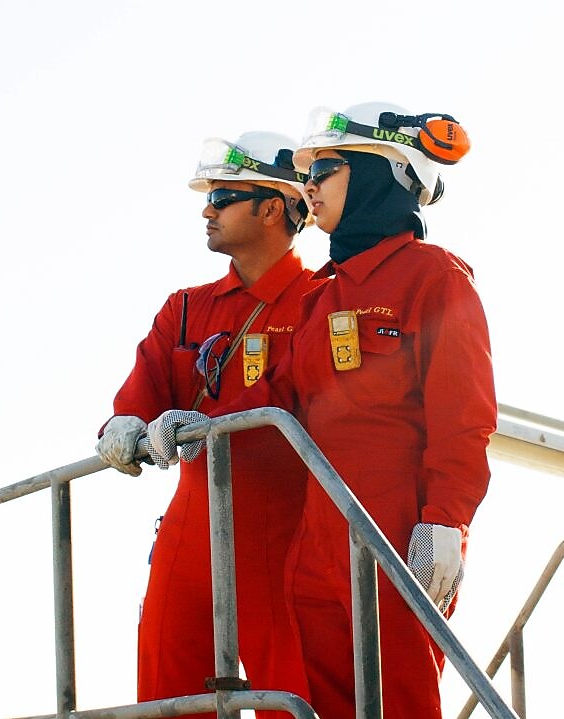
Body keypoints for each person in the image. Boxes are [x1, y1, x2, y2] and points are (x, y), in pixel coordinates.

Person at [146, 102, 495, 719]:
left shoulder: (434, 279)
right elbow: (278, 396)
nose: (309, 185)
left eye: (326, 168)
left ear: (380, 171)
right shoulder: (321, 297)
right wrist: (205, 423)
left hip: (394, 528)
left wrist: (446, 521)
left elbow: (463, 416)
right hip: (316, 540)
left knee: (399, 701)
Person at [95, 131, 322, 717]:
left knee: (294, 697)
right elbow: (139, 394)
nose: (206, 209)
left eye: (222, 197)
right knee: (167, 700)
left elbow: (322, 412)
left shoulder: (322, 302)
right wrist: (124, 427)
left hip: (283, 534)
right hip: (188, 533)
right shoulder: (186, 308)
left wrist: (209, 424)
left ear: (271, 207)